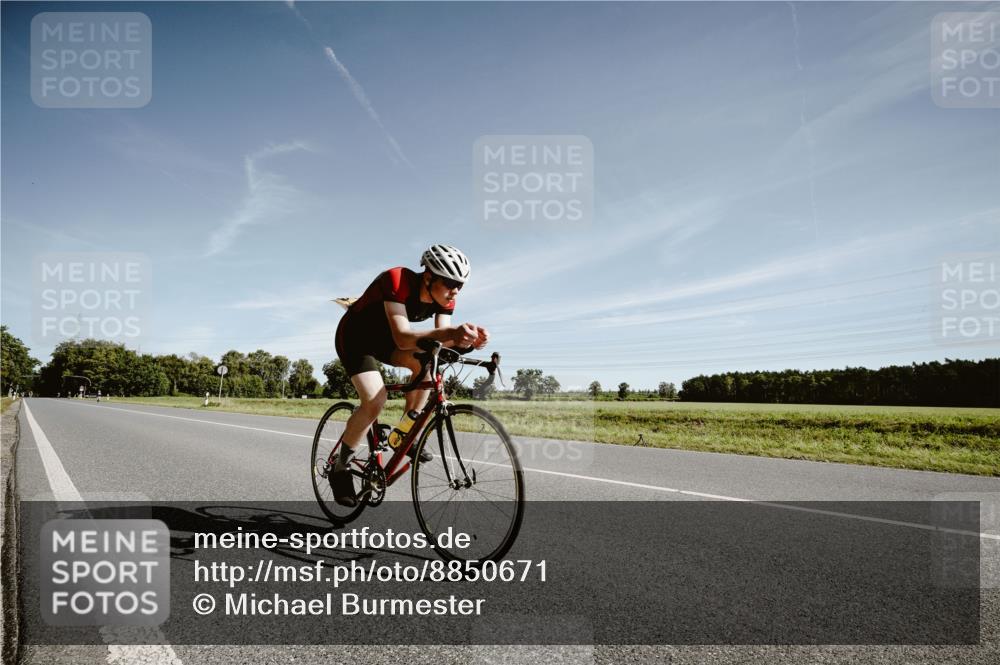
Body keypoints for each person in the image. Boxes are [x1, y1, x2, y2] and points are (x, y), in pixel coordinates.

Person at [330, 244, 489, 507]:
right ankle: (340, 467)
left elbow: (442, 341)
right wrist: (452, 334)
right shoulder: (397, 279)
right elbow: (404, 338)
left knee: (428, 363)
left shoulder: (447, 299)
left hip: (386, 342)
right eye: (451, 282)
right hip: (356, 338)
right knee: (375, 400)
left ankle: (403, 433)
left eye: (461, 284)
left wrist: (468, 341)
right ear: (428, 277)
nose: (456, 290)